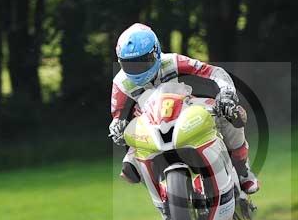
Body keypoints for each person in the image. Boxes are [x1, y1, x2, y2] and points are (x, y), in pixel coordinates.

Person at [108, 23, 259, 194]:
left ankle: (242, 170)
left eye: (143, 61)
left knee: (230, 115)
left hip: (184, 112)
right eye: (129, 64)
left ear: (156, 52)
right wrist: (117, 128)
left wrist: (226, 94)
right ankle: (163, 198)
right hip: (151, 126)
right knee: (130, 164)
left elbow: (215, 72)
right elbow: (117, 118)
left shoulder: (172, 61)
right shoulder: (120, 83)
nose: (137, 69)